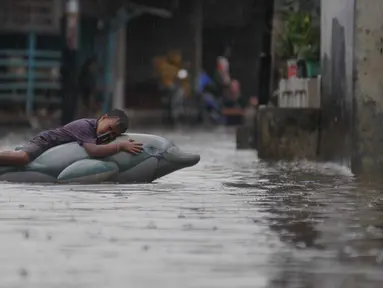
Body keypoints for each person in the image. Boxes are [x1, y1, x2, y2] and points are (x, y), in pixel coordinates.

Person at [0, 109, 143, 166]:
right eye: (109, 128)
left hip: (55, 151)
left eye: (113, 135)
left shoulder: (98, 134)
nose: (108, 134)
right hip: (47, 141)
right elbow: (92, 150)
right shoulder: (85, 127)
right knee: (23, 158)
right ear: (104, 118)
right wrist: (120, 146)